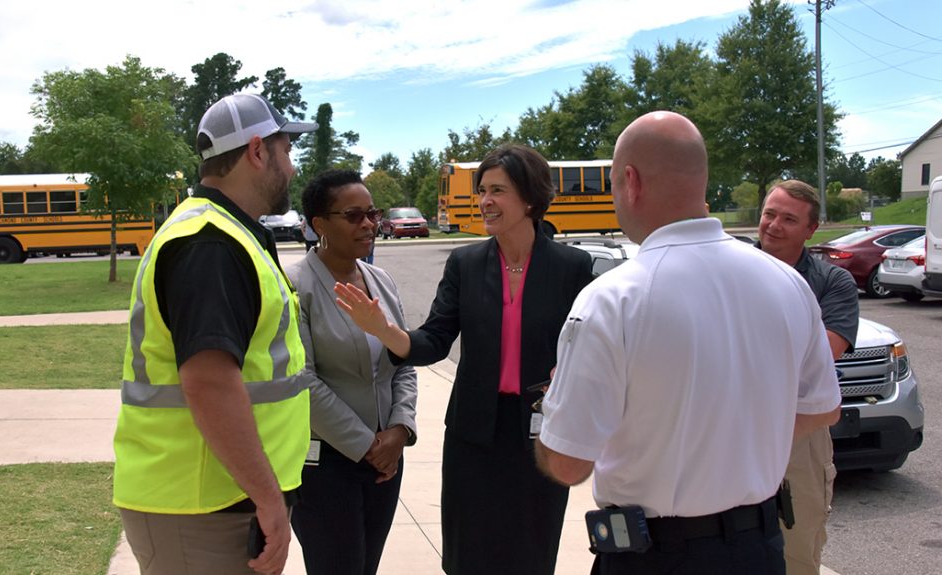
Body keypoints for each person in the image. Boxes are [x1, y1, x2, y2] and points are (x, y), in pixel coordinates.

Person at [534, 111, 842, 575]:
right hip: (760, 549)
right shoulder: (786, 282)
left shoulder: (613, 298)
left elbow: (567, 464)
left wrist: (551, 405)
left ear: (631, 181)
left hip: (657, 555)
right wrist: (737, 436)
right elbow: (822, 408)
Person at [335, 143, 594, 575]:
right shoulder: (466, 263)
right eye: (482, 191)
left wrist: (570, 379)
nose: (485, 201)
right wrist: (385, 331)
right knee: (467, 552)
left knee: (532, 547)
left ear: (530, 197)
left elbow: (586, 347)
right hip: (474, 435)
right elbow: (435, 340)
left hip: (541, 433)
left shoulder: (572, 266)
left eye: (498, 190)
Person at [112, 92, 318, 575]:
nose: (290, 167)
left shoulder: (229, 233)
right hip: (202, 507)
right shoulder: (210, 245)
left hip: (217, 498)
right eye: (286, 150)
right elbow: (208, 383)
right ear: (257, 151)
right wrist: (269, 500)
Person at [286, 169, 418, 575]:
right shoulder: (294, 286)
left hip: (385, 462)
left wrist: (399, 429)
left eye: (372, 214)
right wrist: (366, 446)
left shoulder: (381, 281)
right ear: (318, 224)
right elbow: (301, 381)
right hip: (326, 466)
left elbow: (403, 360)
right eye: (354, 215)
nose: (369, 224)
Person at [758, 179, 859, 575]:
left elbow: (823, 354)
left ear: (810, 229)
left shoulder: (833, 283)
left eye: (788, 219)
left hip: (800, 429)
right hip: (730, 425)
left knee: (797, 550)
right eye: (769, 214)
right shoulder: (729, 271)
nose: (773, 225)